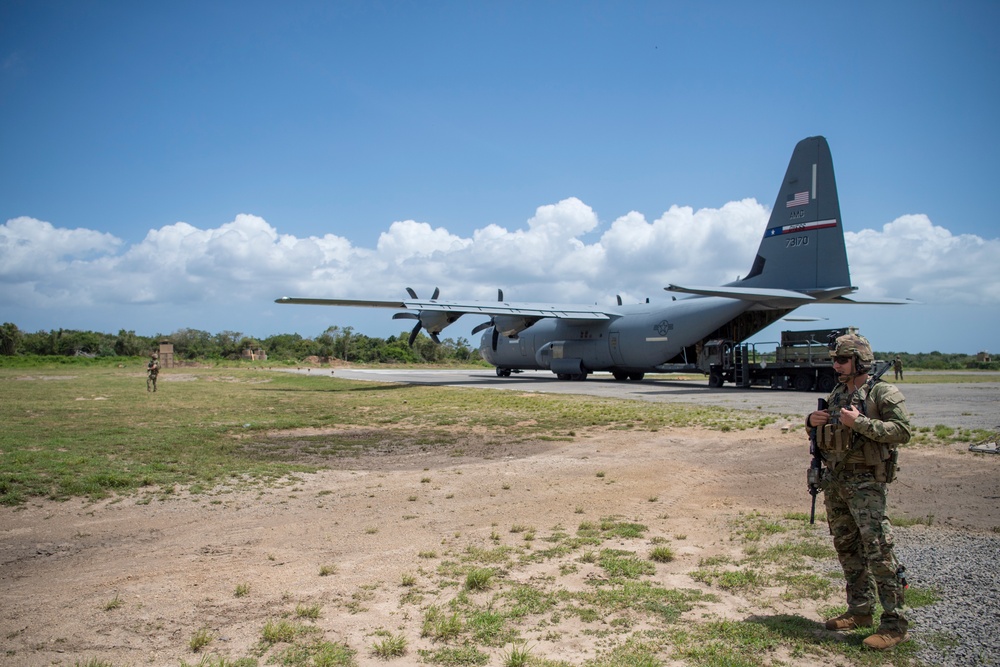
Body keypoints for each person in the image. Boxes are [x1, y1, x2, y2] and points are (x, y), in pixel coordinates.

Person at [806, 334, 911, 650]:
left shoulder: (882, 393)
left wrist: (862, 423)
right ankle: (860, 611)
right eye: (834, 360)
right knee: (847, 549)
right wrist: (811, 422)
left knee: (879, 552)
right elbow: (827, 434)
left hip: (866, 485)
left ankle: (894, 625)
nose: (836, 365)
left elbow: (903, 432)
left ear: (860, 361)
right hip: (836, 483)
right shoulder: (838, 393)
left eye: (842, 360)